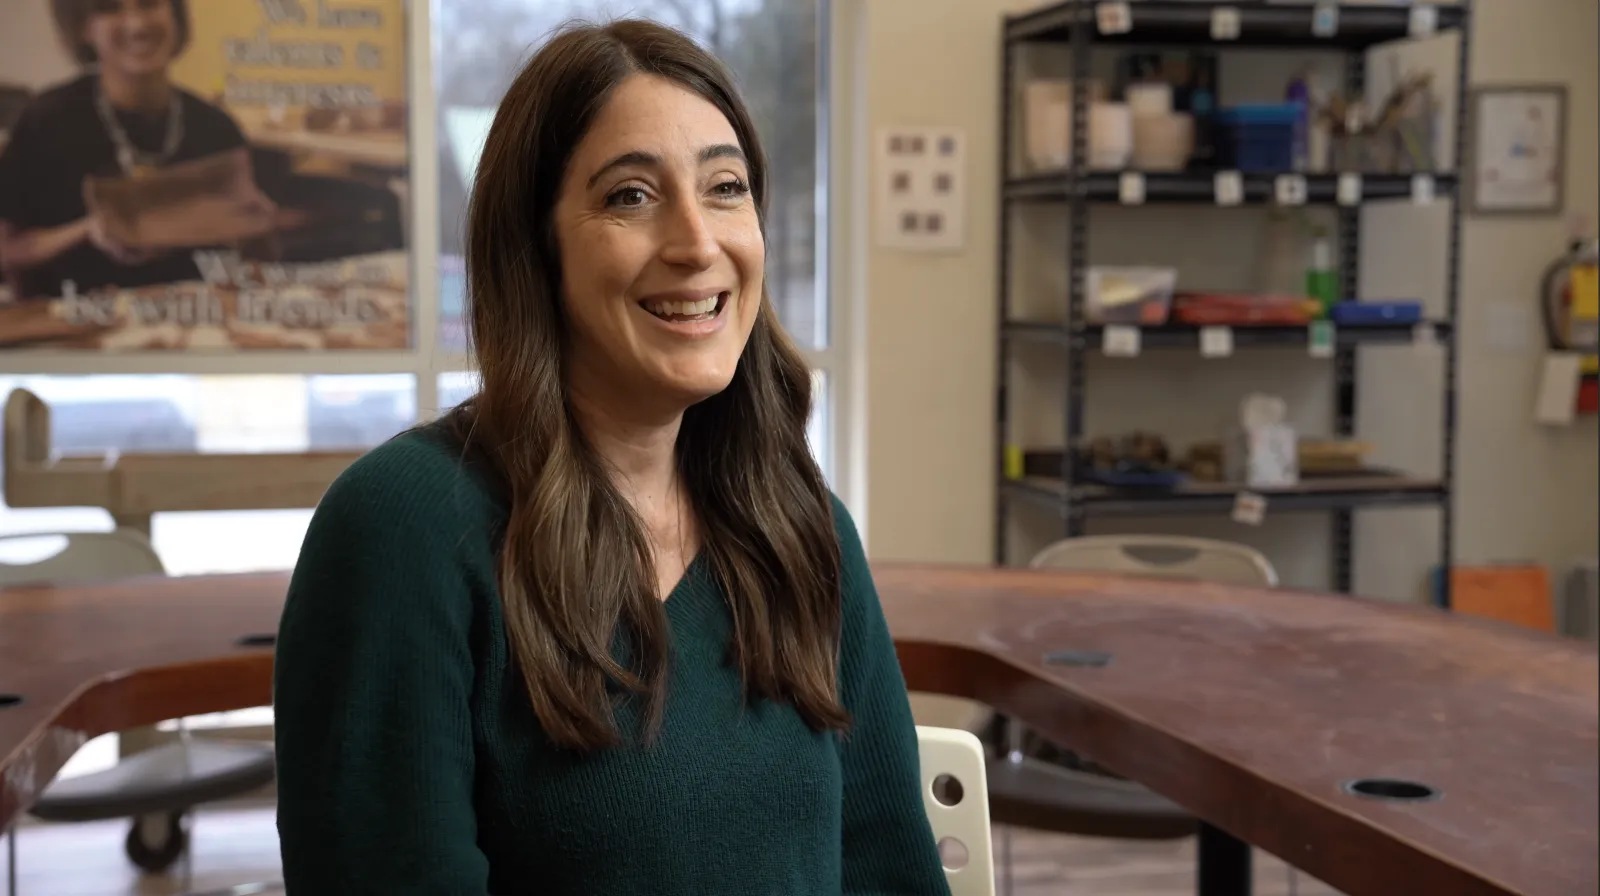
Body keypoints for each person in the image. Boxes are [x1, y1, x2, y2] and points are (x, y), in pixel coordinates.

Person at [272, 17, 953, 896]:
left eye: (725, 187)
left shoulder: (801, 527)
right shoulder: (405, 529)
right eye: (631, 195)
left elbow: (891, 870)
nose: (697, 243)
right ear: (537, 246)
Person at [0, 0, 269, 300]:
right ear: (83, 28)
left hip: (196, 325)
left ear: (175, 16)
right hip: (74, 326)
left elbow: (254, 258)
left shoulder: (217, 129)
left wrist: (256, 225)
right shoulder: (46, 122)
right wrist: (91, 229)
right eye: (109, 8)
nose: (137, 25)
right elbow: (8, 250)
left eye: (150, 3)